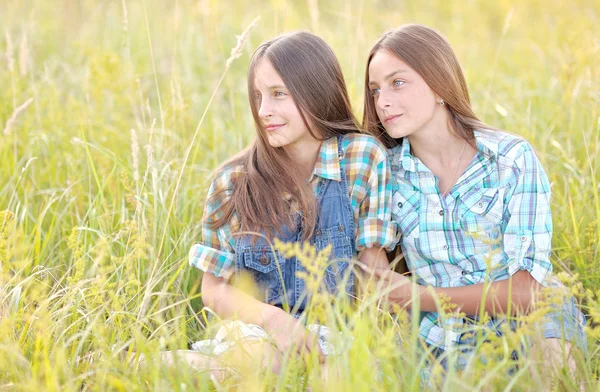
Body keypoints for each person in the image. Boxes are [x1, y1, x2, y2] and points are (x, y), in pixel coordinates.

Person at [361, 24, 586, 383]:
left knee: (551, 357)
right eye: (375, 90)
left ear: (438, 83)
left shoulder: (510, 159)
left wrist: (418, 297)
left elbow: (527, 292)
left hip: (532, 315)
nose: (382, 101)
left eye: (397, 83)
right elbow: (378, 285)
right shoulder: (384, 171)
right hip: (443, 334)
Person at [177, 31, 397, 379]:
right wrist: (276, 320)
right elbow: (214, 289)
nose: (264, 111)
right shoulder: (233, 182)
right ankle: (163, 366)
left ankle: (184, 367)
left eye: (279, 94)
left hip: (335, 330)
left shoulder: (361, 158)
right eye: (258, 97)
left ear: (316, 90)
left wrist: (378, 346)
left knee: (338, 378)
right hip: (254, 330)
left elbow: (373, 271)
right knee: (264, 363)